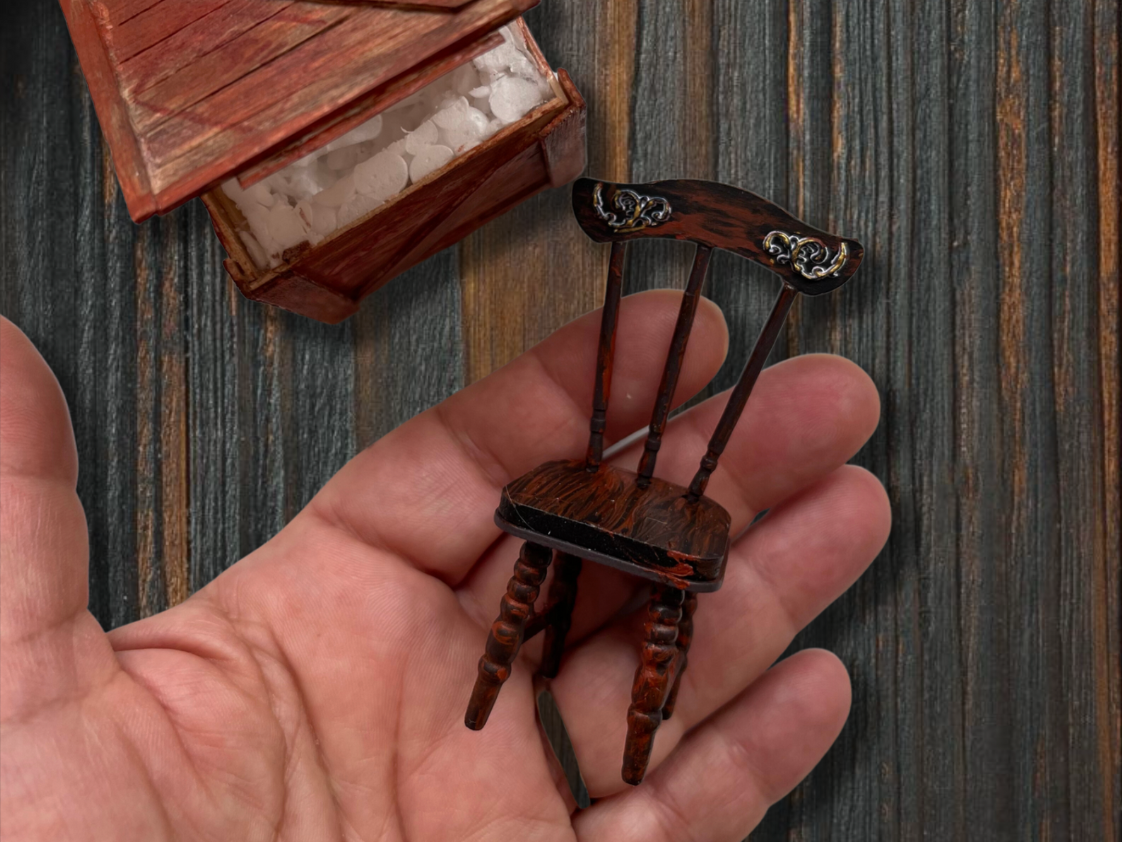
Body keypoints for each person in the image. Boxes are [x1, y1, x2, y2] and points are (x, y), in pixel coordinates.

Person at [0, 290, 889, 841]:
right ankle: (506, 695)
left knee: (628, 581)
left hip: (673, 507)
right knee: (549, 561)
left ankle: (594, 725)